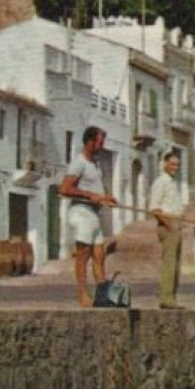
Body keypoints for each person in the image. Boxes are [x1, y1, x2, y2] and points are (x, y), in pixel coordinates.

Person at [59, 125, 116, 307]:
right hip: (81, 212)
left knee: (100, 254)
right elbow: (64, 189)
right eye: (99, 142)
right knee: (83, 254)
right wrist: (89, 195)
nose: (101, 146)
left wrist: (106, 196)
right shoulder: (79, 163)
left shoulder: (95, 164)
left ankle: (102, 295)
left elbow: (96, 188)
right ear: (90, 142)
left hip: (94, 213)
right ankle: (83, 294)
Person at [146, 148, 185, 310]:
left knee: (175, 263)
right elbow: (154, 209)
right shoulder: (160, 182)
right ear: (165, 164)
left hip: (176, 225)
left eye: (177, 165)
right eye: (172, 164)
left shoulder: (172, 182)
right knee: (169, 262)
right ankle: (166, 298)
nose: (175, 167)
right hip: (168, 226)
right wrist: (170, 225)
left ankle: (172, 297)